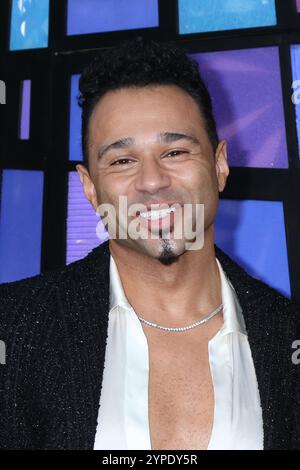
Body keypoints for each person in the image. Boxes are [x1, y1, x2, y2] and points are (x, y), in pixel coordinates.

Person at [0, 38, 299, 450]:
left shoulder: (287, 335)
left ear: (219, 165)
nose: (152, 180)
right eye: (123, 160)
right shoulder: (13, 329)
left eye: (175, 151)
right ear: (89, 187)